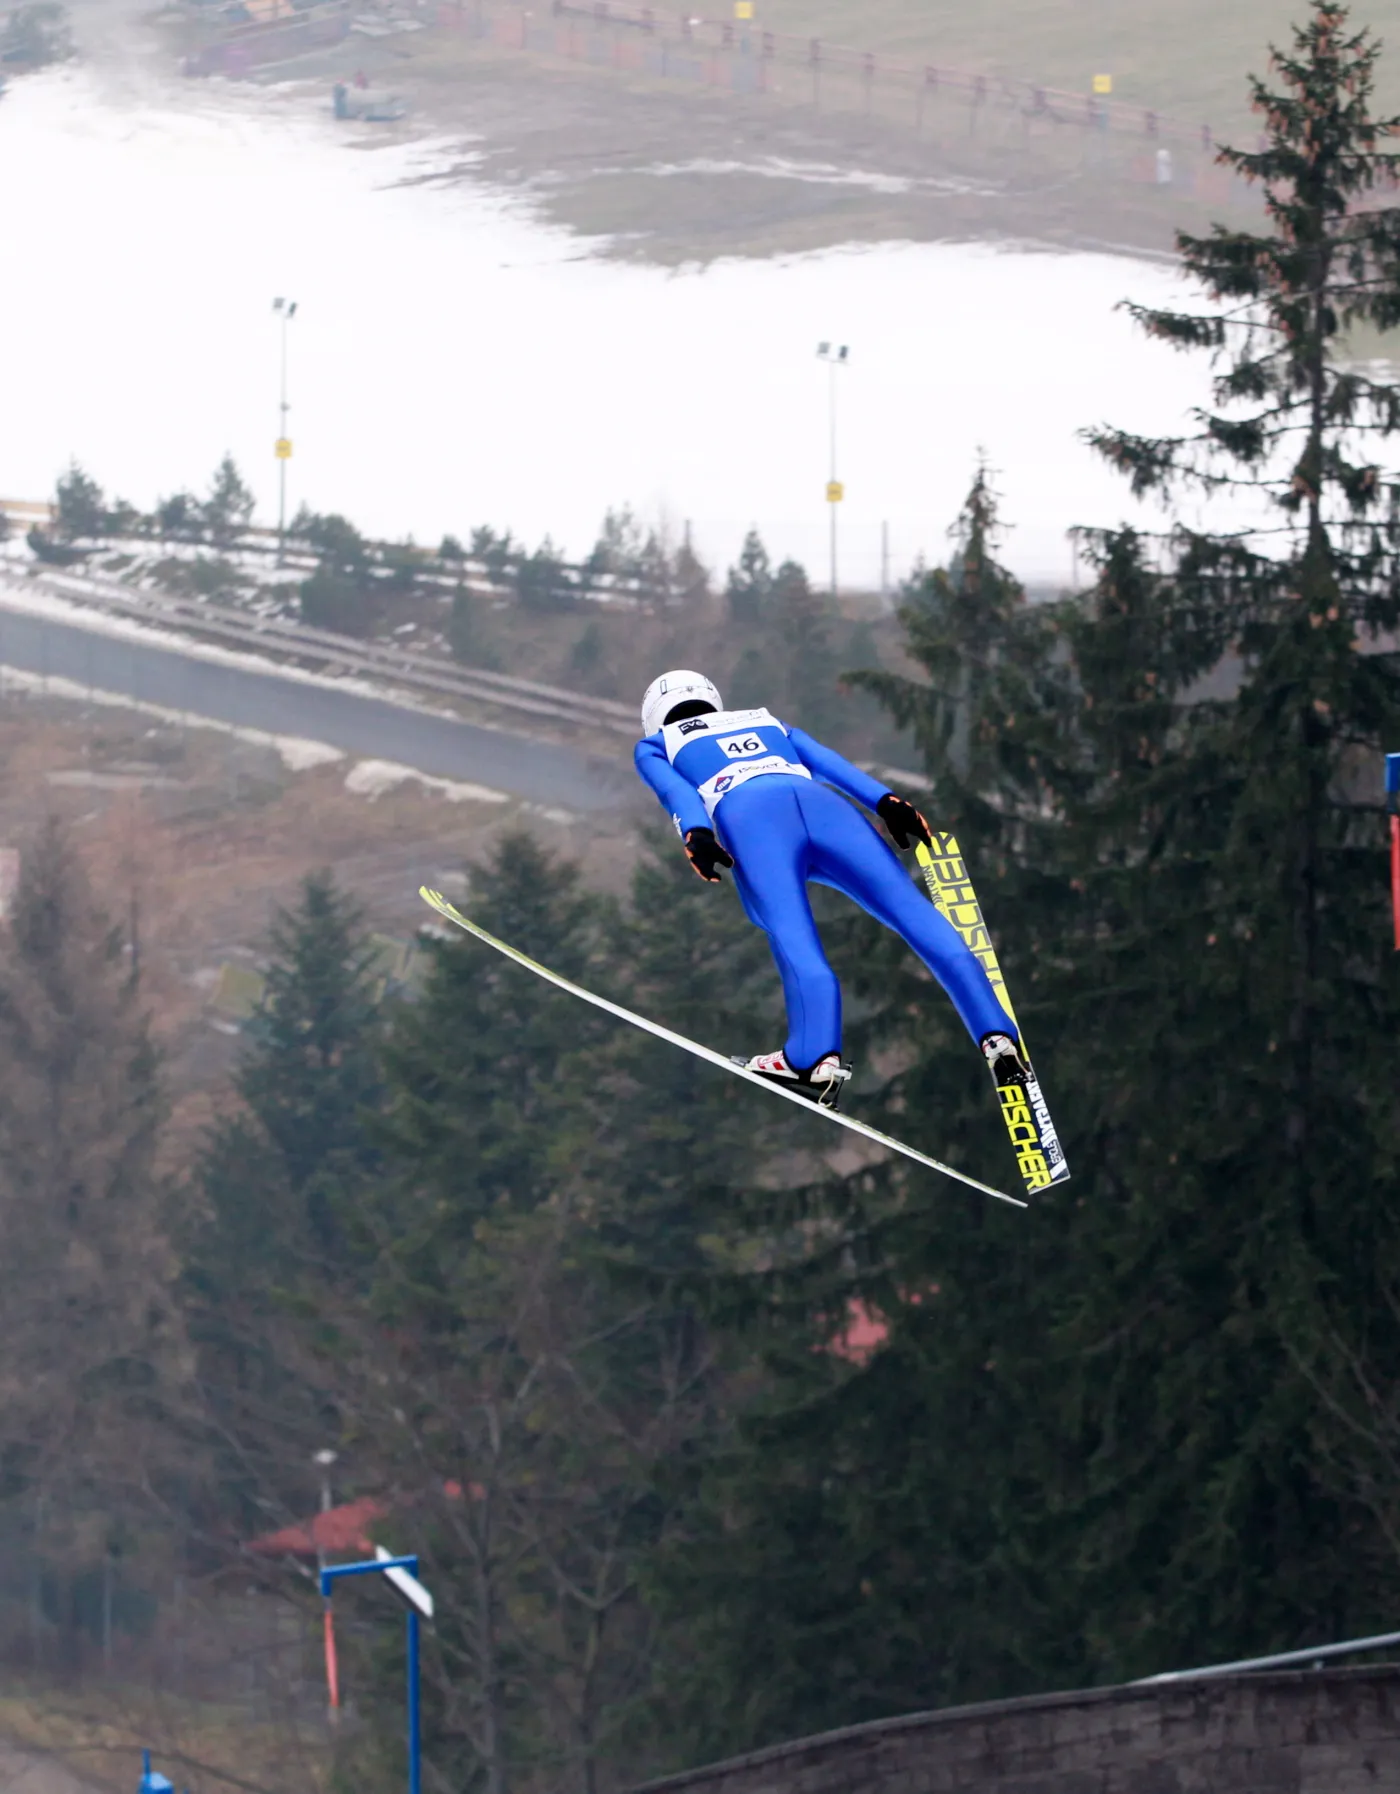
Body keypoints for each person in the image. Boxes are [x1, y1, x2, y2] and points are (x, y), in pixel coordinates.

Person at [634, 668, 1028, 1103]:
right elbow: (828, 764)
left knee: (792, 934)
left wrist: (697, 833)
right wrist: (888, 803)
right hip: (828, 810)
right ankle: (996, 1034)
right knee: (913, 913)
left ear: (654, 717)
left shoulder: (656, 745)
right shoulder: (768, 722)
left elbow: (676, 793)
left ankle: (813, 1058)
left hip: (753, 820)